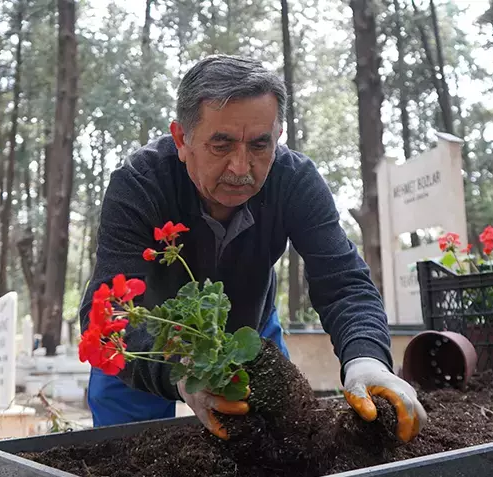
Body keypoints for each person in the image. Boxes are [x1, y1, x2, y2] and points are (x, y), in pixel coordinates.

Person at [79, 54, 427, 443]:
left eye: (260, 145)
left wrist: (367, 361)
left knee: (278, 444)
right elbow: (109, 310)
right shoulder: (139, 184)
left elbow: (343, 282)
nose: (241, 167)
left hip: (250, 332)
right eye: (221, 144)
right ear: (181, 139)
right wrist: (182, 378)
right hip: (145, 346)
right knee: (129, 451)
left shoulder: (295, 181)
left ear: (277, 137)